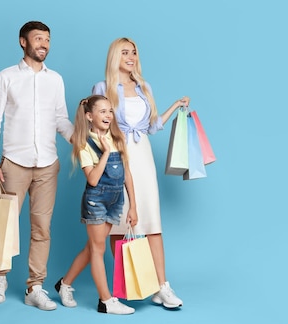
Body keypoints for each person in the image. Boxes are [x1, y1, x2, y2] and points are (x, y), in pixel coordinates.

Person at [0, 21, 73, 311]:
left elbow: (61, 119)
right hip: (14, 163)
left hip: (48, 163)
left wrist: (83, 141)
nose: (43, 44)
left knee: (42, 229)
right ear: (23, 42)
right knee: (5, 226)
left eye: (47, 39)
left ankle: (35, 287)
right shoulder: (6, 77)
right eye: (38, 39)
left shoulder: (55, 79)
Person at [92, 37, 187, 308]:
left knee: (152, 223)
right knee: (119, 225)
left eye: (133, 52)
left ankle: (162, 287)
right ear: (114, 57)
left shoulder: (144, 86)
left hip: (142, 156)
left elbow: (152, 126)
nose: (131, 56)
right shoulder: (103, 87)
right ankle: (132, 284)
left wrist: (175, 106)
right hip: (115, 157)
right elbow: (97, 127)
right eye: (124, 52)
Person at [54, 95, 137, 315]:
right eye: (102, 111)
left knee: (92, 247)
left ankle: (64, 284)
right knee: (98, 249)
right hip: (96, 201)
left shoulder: (117, 137)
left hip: (116, 201)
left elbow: (127, 174)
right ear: (90, 116)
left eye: (110, 111)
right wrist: (106, 152)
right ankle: (106, 301)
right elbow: (92, 179)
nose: (108, 115)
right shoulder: (84, 143)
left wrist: (133, 206)